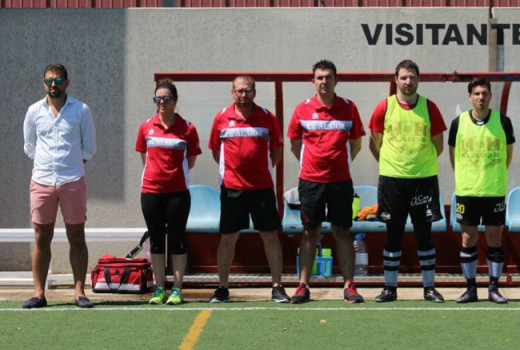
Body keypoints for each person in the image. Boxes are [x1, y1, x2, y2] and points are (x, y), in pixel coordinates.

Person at [288, 60, 366, 304]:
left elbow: (356, 144)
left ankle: (349, 286)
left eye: (328, 77)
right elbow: (294, 144)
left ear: (336, 80)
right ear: (313, 81)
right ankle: (303, 286)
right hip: (310, 182)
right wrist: (312, 164)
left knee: (343, 232)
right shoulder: (302, 109)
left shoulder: (349, 107)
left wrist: (339, 164)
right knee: (311, 232)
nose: (324, 81)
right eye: (319, 77)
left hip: (341, 182)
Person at [369, 59, 447, 303]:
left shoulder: (429, 107)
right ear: (396, 80)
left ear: (418, 80)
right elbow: (375, 143)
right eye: (403, 77)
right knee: (393, 234)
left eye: (412, 77)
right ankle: (390, 288)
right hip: (392, 181)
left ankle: (429, 288)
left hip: (423, 180)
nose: (408, 82)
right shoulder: (385, 107)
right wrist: (391, 165)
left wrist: (419, 164)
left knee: (425, 234)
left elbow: (438, 145)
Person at [208, 75, 290, 303]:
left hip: (262, 189)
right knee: (228, 238)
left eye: (248, 91)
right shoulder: (221, 117)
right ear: (232, 93)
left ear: (254, 92)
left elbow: (276, 152)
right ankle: (223, 288)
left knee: (270, 237)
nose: (243, 95)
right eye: (239, 91)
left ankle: (277, 287)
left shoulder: (267, 117)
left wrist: (259, 171)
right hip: (232, 190)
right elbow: (216, 152)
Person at [22, 63, 97, 309]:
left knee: (77, 236)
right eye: (49, 80)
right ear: (44, 82)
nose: (53, 84)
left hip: (73, 181)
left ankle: (79, 293)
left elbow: (89, 147)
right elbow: (29, 147)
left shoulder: (81, 110)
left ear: (67, 81)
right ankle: (38, 294)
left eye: (58, 79)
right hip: (42, 181)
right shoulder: (34, 111)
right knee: (41, 237)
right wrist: (49, 165)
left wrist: (70, 164)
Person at [449, 77, 515, 304]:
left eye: (484, 93)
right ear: (470, 97)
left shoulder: (503, 122)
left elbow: (508, 154)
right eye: (476, 93)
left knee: (494, 237)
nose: (480, 97)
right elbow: (453, 156)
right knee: (468, 238)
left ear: (490, 96)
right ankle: (470, 289)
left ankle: (494, 288)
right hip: (467, 190)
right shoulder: (458, 123)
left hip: (493, 189)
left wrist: (492, 176)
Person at [136, 79, 202, 305]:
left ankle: (177, 289)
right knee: (155, 240)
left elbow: (190, 161)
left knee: (177, 240)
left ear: (175, 101)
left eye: (166, 99)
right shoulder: (146, 126)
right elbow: (145, 158)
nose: (161, 103)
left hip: (178, 194)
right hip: (151, 193)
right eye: (158, 99)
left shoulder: (188, 128)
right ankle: (159, 288)